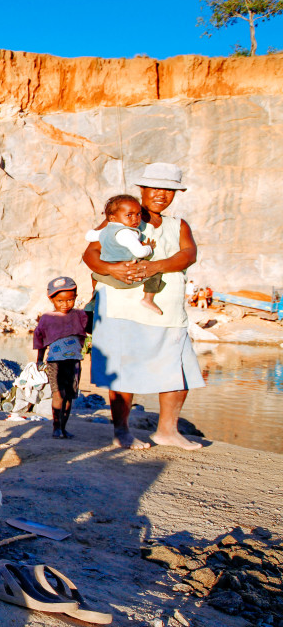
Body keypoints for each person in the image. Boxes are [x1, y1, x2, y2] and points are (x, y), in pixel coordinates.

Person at [83, 163, 204, 451]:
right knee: (125, 370)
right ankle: (122, 431)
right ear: (143, 190)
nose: (161, 195)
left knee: (179, 368)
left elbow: (189, 254)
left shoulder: (178, 225)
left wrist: (155, 266)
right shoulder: (124, 218)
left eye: (169, 190)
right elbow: (91, 253)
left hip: (169, 309)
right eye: (155, 188)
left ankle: (168, 431)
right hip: (123, 307)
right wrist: (112, 270)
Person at [84, 195, 164, 315]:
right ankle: (148, 299)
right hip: (127, 275)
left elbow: (89, 236)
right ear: (113, 217)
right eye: (129, 215)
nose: (135, 219)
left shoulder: (106, 230)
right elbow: (140, 252)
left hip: (107, 274)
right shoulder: (126, 233)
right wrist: (149, 248)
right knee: (156, 273)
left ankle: (93, 300)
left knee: (94, 276)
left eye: (138, 214)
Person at [33, 277, 88, 439]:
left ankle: (64, 427)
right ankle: (56, 427)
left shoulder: (80, 315)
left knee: (70, 395)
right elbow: (40, 339)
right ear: (51, 299)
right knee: (58, 394)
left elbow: (90, 326)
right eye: (60, 301)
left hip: (75, 362)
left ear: (76, 297)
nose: (65, 304)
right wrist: (39, 359)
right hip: (56, 362)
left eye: (70, 300)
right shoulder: (47, 318)